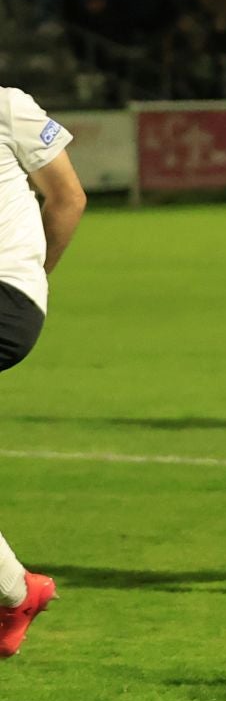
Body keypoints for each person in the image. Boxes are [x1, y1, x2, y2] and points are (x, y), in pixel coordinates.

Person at [0, 85, 88, 657]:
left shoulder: (6, 104)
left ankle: (16, 591)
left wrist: (37, 273)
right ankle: (14, 591)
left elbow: (67, 197)